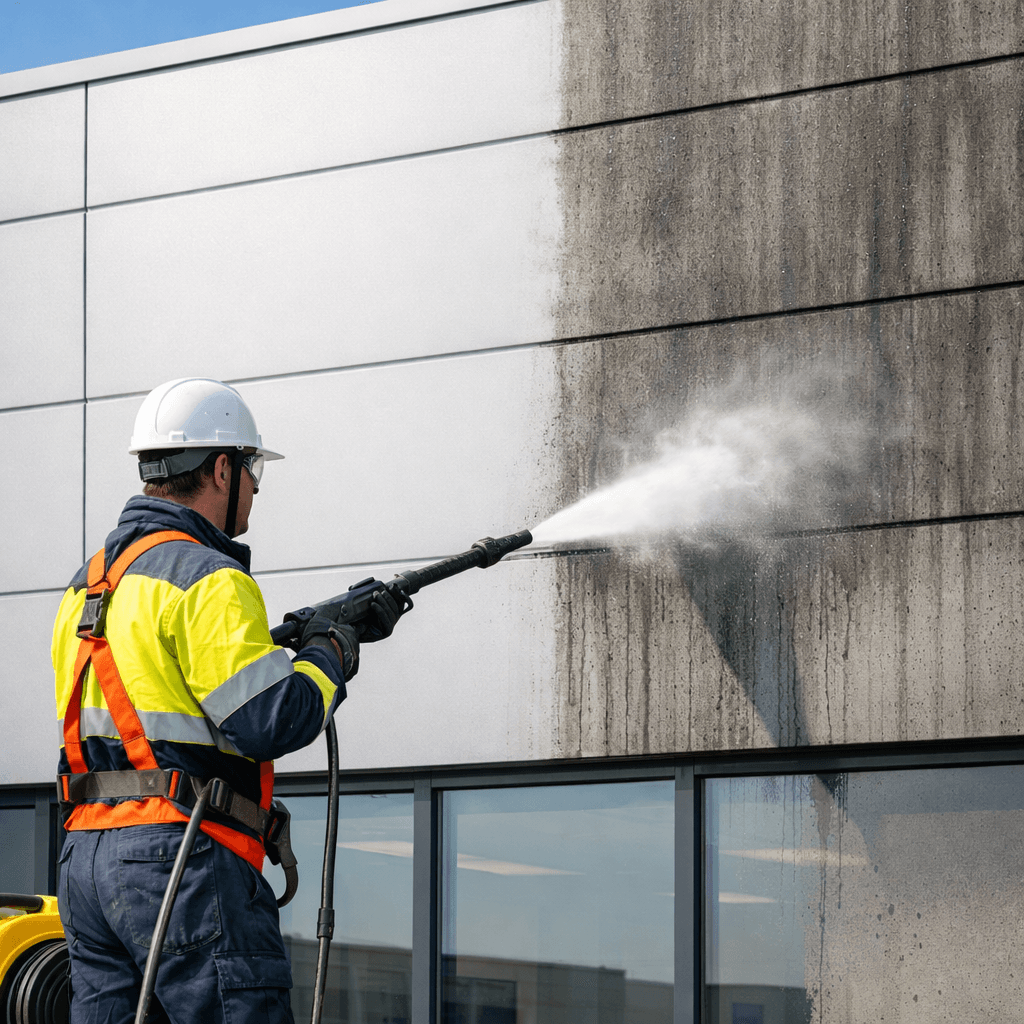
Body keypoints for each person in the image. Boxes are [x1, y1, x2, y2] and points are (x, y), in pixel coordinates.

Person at [52, 378, 401, 1024]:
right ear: (221, 469)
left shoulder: (89, 586)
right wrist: (330, 654)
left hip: (85, 861)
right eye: (251, 471)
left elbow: (164, 689)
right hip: (178, 858)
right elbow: (272, 719)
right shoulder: (209, 577)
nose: (256, 489)